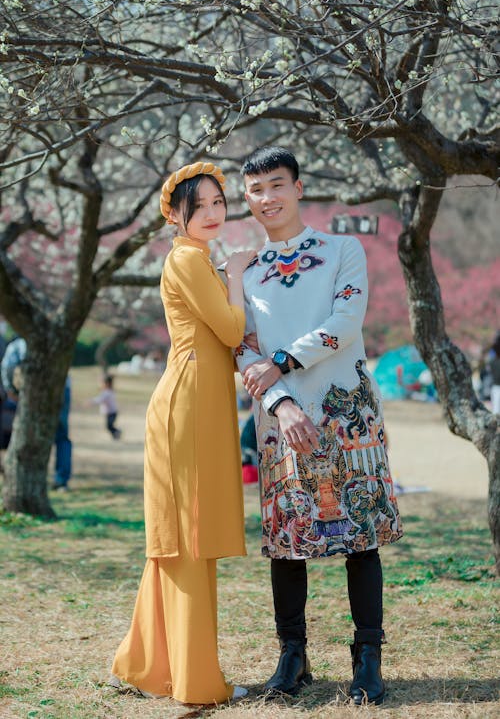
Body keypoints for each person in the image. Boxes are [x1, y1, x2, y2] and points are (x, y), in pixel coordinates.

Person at [234, 147, 403, 705]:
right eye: (255, 189)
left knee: (360, 538)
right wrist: (281, 403)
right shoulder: (246, 271)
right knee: (287, 543)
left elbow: (345, 324)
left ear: (299, 188)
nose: (267, 198)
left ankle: (368, 659)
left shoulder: (341, 250)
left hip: (346, 409)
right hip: (282, 417)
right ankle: (292, 656)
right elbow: (243, 348)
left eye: (276, 185)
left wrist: (278, 363)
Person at [110, 162, 255, 704]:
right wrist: (237, 275)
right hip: (187, 405)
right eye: (202, 207)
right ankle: (197, 683)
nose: (214, 214)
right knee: (190, 542)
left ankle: (144, 664)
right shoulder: (191, 260)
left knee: (179, 543)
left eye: (220, 203)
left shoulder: (195, 259)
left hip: (197, 401)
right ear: (176, 215)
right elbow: (231, 328)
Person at [0, 337, 72, 490]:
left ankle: (28, 478)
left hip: (32, 390)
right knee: (61, 437)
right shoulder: (59, 339)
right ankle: (61, 480)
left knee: (29, 433)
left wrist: (11, 391)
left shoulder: (21, 343)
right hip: (62, 387)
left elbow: (8, 366)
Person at [91, 375, 122, 439]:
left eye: (102, 383)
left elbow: (99, 400)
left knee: (109, 426)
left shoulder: (107, 393)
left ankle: (117, 432)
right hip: (110, 413)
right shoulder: (109, 391)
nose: (101, 385)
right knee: (109, 426)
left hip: (112, 413)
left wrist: (90, 402)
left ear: (107, 384)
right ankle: (116, 434)